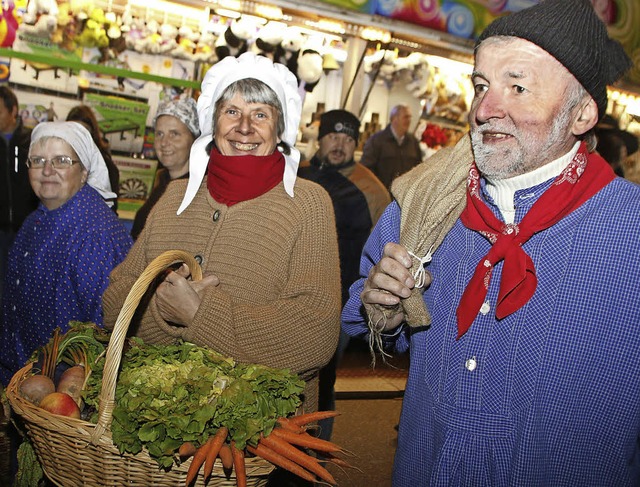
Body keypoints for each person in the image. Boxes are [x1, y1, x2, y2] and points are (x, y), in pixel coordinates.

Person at [342, 0, 640, 485]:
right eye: (481, 85)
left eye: (517, 87)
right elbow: (363, 314)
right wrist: (385, 308)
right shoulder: (423, 202)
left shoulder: (630, 233)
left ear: (581, 114)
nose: (484, 109)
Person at [102, 52, 340, 421]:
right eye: (231, 111)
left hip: (261, 436)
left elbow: (314, 332)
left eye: (260, 114)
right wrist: (166, 313)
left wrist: (200, 316)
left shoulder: (308, 204)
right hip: (159, 421)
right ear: (213, 124)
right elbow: (116, 298)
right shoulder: (174, 198)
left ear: (280, 128)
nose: (244, 127)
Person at [0, 121, 133, 385]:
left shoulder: (95, 236)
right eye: (37, 160)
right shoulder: (35, 220)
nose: (47, 170)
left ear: (83, 171)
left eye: (61, 160)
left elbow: (103, 333)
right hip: (22, 378)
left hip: (62, 392)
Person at [298, 109, 390, 441]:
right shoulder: (297, 174)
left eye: (348, 139)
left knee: (322, 379)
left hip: (337, 302)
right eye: (333, 137)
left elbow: (387, 248)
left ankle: (316, 454)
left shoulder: (373, 190)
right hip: (289, 293)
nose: (340, 145)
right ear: (320, 140)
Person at [130, 97, 199, 239]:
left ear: (194, 140)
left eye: (174, 134)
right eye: (159, 134)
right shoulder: (162, 182)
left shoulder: (198, 193)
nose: (164, 142)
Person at [0, 87, 38, 320]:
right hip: (1, 231)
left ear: (13, 110)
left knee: (25, 289)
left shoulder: (31, 141)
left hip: (27, 230)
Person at [66, 105, 120, 211]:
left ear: (92, 134)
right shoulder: (59, 161)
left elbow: (111, 209)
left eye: (83, 132)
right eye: (74, 131)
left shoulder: (106, 166)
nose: (79, 137)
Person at [360, 103, 422, 190]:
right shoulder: (376, 141)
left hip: (404, 198)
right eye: (405, 117)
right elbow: (365, 170)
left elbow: (419, 169)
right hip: (383, 198)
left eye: (409, 117)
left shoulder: (413, 142)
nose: (409, 120)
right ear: (394, 118)